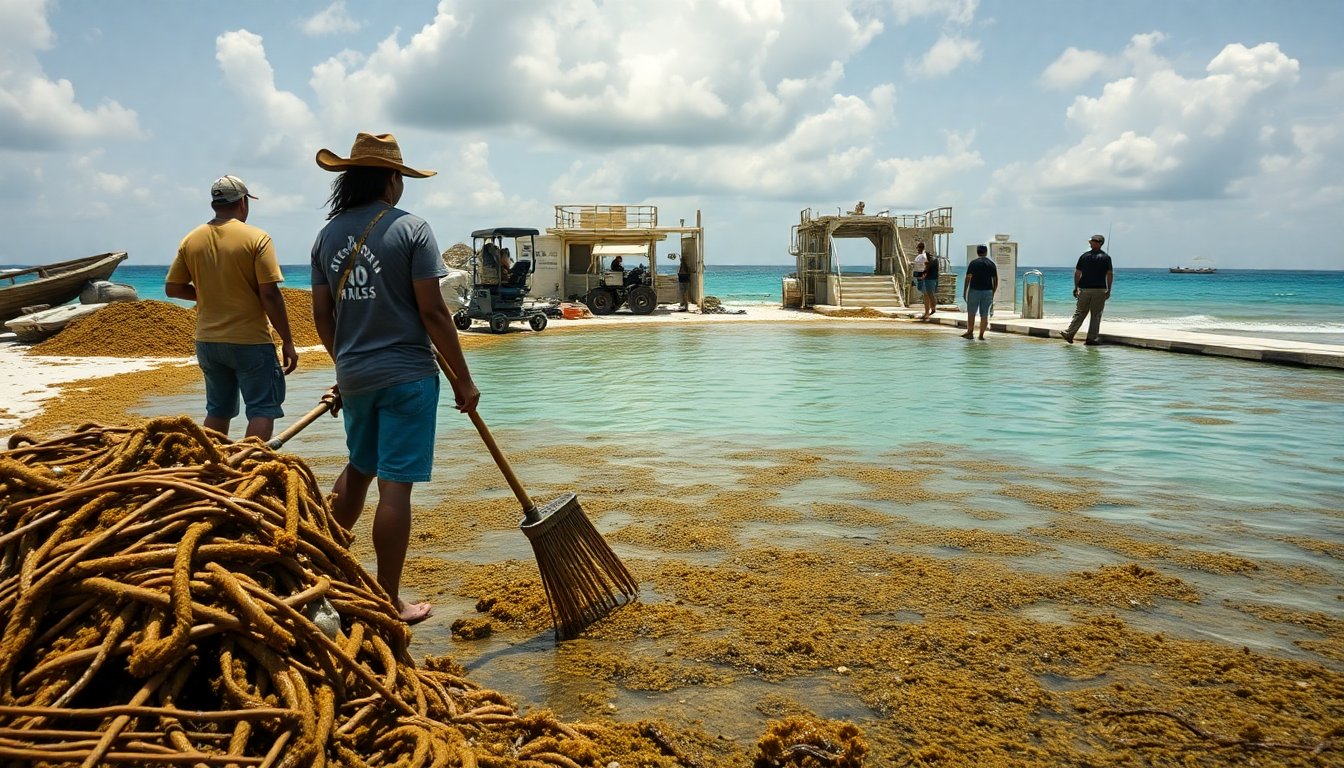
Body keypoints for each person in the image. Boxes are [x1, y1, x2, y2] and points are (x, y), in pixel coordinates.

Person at [311, 132, 481, 625]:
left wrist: (344, 365)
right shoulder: (412, 230)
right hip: (407, 375)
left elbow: (323, 315)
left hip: (357, 375)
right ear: (391, 180)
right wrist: (463, 381)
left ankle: (325, 569)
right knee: (395, 488)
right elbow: (433, 311)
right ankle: (388, 600)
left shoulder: (326, 236)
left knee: (360, 467)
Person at [166, 175, 298, 441]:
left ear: (215, 204)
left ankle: (212, 469)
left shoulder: (191, 239)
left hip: (208, 342)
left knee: (218, 409)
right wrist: (288, 340)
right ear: (243, 203)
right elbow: (270, 294)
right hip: (250, 341)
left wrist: (207, 295)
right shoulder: (257, 238)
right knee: (262, 409)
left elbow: (173, 288)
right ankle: (249, 469)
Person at [1062, 234, 1114, 346]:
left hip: (1085, 289)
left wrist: (1076, 287)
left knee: (1081, 312)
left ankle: (1069, 333)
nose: (1092, 242)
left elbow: (1077, 273)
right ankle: (1091, 339)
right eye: (1092, 241)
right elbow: (1109, 275)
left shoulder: (1084, 256)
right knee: (1095, 315)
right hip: (1099, 290)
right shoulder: (1106, 258)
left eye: (1094, 241)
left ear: (1099, 243)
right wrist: (1109, 290)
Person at [961, 244, 998, 340]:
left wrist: (965, 291)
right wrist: (993, 291)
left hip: (974, 291)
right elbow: (995, 279)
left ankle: (970, 332)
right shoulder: (991, 264)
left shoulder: (973, 263)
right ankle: (981, 335)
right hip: (988, 291)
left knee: (971, 313)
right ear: (986, 252)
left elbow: (968, 277)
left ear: (977, 252)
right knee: (984, 314)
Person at [920, 245, 940, 321]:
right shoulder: (935, 260)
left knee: (929, 294)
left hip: (930, 279)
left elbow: (926, 270)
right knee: (929, 294)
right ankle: (930, 310)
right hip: (933, 279)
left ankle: (932, 310)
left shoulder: (931, 261)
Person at [910, 242, 928, 319]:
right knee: (923, 293)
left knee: (925, 294)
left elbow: (927, 266)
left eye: (917, 248)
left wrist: (924, 275)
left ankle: (927, 312)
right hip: (918, 276)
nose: (917, 249)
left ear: (919, 248)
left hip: (922, 276)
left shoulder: (924, 256)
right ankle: (926, 311)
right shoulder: (919, 256)